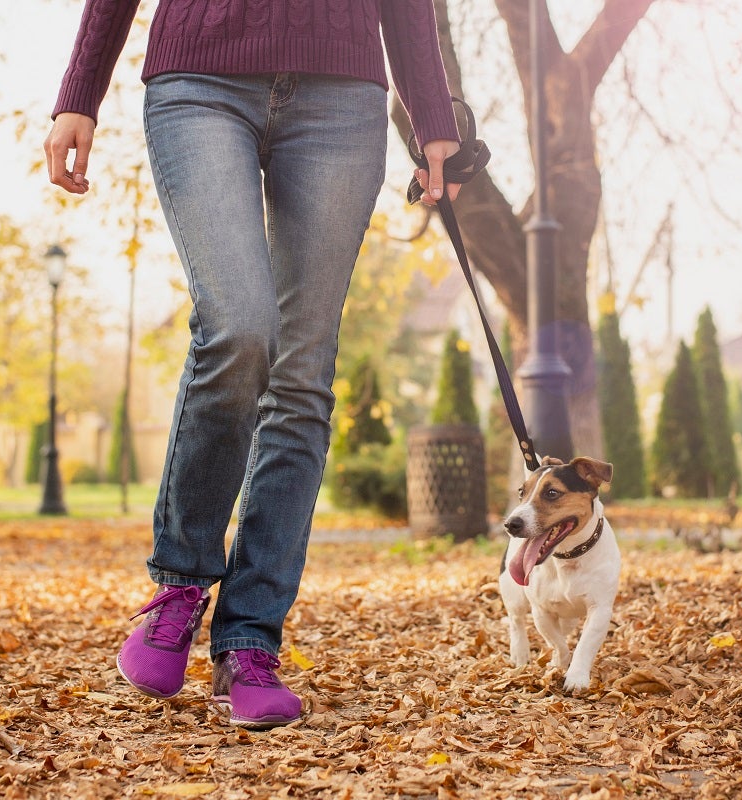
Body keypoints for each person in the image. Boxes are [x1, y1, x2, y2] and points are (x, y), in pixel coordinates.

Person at [44, 0, 462, 730]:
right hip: (199, 78)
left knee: (302, 373)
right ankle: (180, 582)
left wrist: (434, 117)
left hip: (342, 94)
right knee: (239, 327)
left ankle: (249, 638)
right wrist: (79, 94)